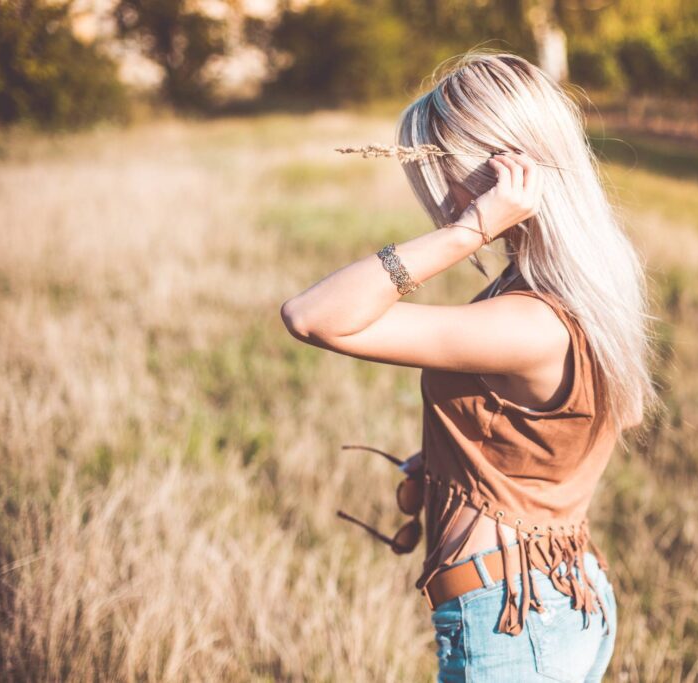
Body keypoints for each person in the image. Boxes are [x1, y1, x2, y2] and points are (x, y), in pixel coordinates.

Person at [280, 50, 658, 683]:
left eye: (441, 177)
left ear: (499, 175)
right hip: (560, 599)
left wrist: (467, 232)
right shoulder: (586, 291)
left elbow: (313, 315)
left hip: (511, 626)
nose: (437, 200)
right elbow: (564, 429)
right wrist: (461, 455)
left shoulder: (528, 323)